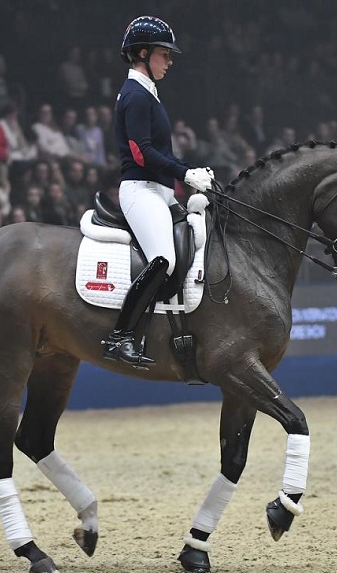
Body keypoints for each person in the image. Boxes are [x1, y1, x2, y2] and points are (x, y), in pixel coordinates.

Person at [103, 16, 215, 365]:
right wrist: (186, 173)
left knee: (200, 236)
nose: (170, 60)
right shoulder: (135, 94)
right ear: (142, 53)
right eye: (164, 54)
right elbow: (141, 153)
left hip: (161, 191)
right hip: (141, 190)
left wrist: (192, 172)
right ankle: (120, 336)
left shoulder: (148, 92)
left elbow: (160, 153)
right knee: (163, 259)